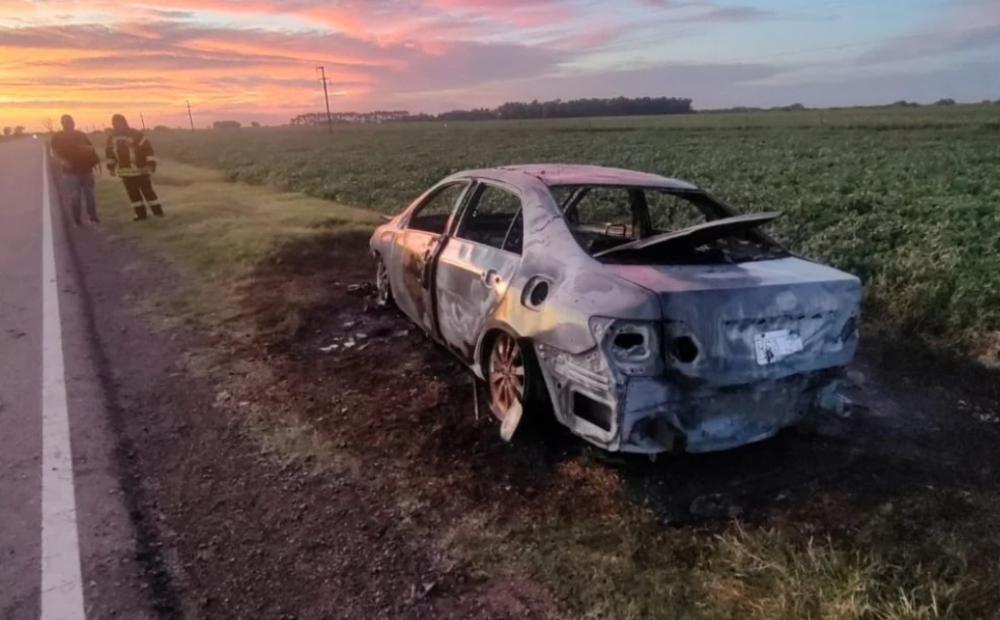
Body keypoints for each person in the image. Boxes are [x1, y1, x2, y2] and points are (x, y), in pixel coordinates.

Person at [105, 114, 164, 221]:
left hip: (141, 170)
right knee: (133, 195)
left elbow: (148, 150)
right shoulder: (112, 137)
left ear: (124, 122)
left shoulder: (136, 134)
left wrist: (150, 165)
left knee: (148, 192)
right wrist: (111, 167)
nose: (117, 125)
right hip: (125, 173)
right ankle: (141, 215)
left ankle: (158, 213)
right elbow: (110, 154)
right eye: (114, 123)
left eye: (119, 123)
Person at [50, 114, 100, 225]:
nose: (69, 124)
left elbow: (91, 149)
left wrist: (92, 159)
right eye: (66, 122)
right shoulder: (58, 136)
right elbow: (54, 152)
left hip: (86, 169)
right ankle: (77, 219)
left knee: (89, 195)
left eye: (70, 122)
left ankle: (93, 217)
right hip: (70, 172)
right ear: (62, 124)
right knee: (75, 196)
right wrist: (62, 161)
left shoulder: (80, 135)